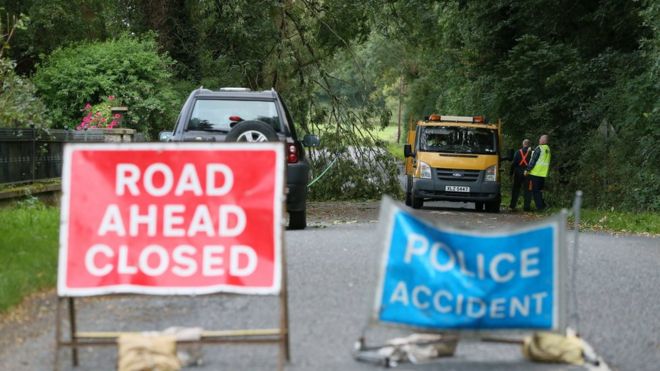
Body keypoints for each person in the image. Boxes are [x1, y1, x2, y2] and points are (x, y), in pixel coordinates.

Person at [524, 134, 551, 211]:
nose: (539, 140)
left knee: (535, 191)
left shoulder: (539, 148)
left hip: (535, 173)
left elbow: (533, 160)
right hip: (543, 174)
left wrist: (527, 170)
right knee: (540, 191)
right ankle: (543, 206)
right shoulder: (547, 149)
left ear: (543, 140)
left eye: (540, 139)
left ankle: (540, 208)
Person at [509, 139, 532, 211]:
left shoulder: (518, 152)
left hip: (518, 173)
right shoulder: (532, 153)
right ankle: (526, 207)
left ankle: (512, 206)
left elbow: (513, 164)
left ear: (523, 144)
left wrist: (511, 173)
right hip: (528, 173)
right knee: (528, 190)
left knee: (516, 189)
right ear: (529, 145)